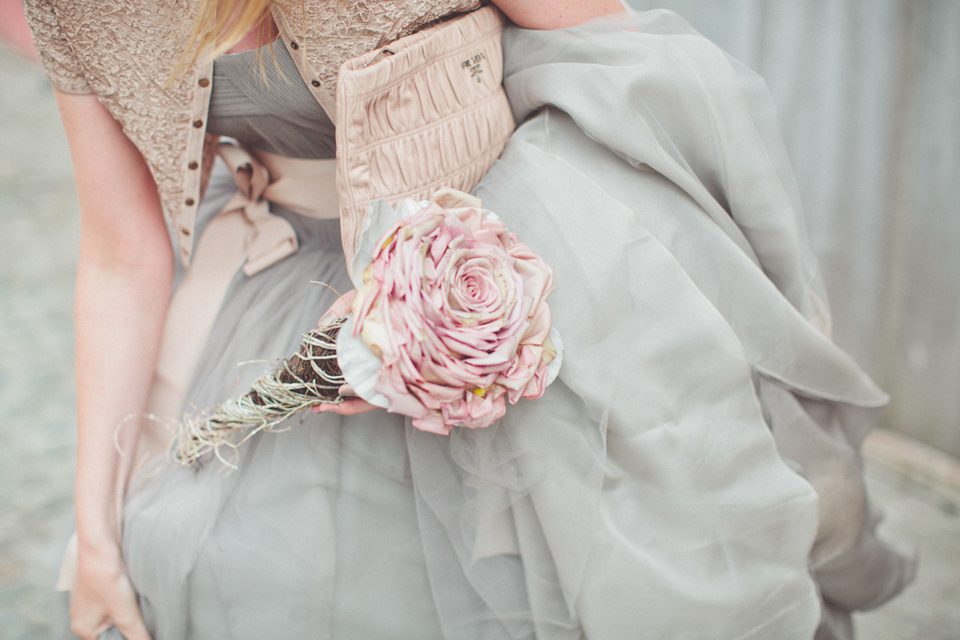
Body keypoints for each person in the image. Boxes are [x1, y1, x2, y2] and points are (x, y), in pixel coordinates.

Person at [24, 1, 914, 638]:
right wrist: (95, 531)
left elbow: (620, 62)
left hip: (503, 254)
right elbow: (120, 254)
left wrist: (455, 271)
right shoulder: (71, 12)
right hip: (272, 284)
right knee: (227, 564)